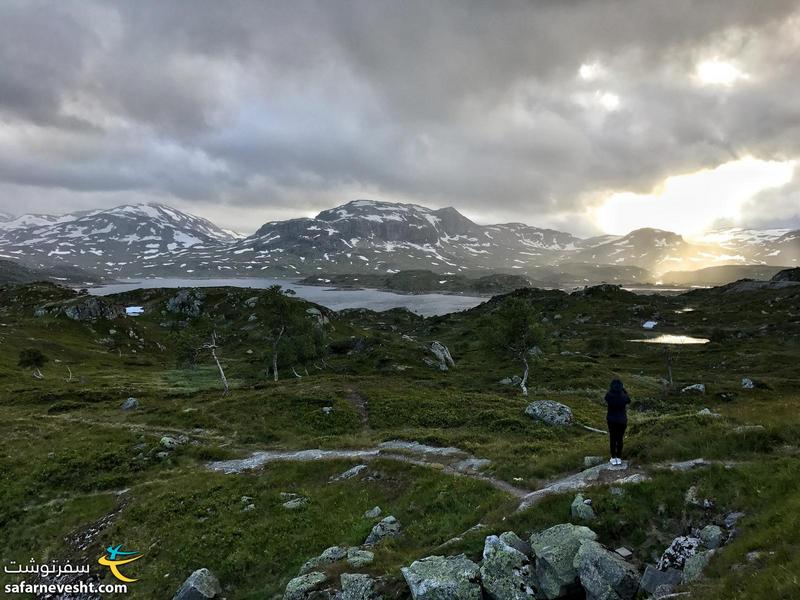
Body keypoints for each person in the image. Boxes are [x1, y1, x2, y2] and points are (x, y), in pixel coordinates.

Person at [605, 378, 630, 465]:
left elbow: (606, 398)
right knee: (620, 439)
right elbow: (629, 400)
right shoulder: (624, 396)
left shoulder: (608, 395)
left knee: (612, 438)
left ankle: (613, 457)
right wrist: (624, 390)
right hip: (622, 420)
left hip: (611, 420)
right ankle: (619, 457)